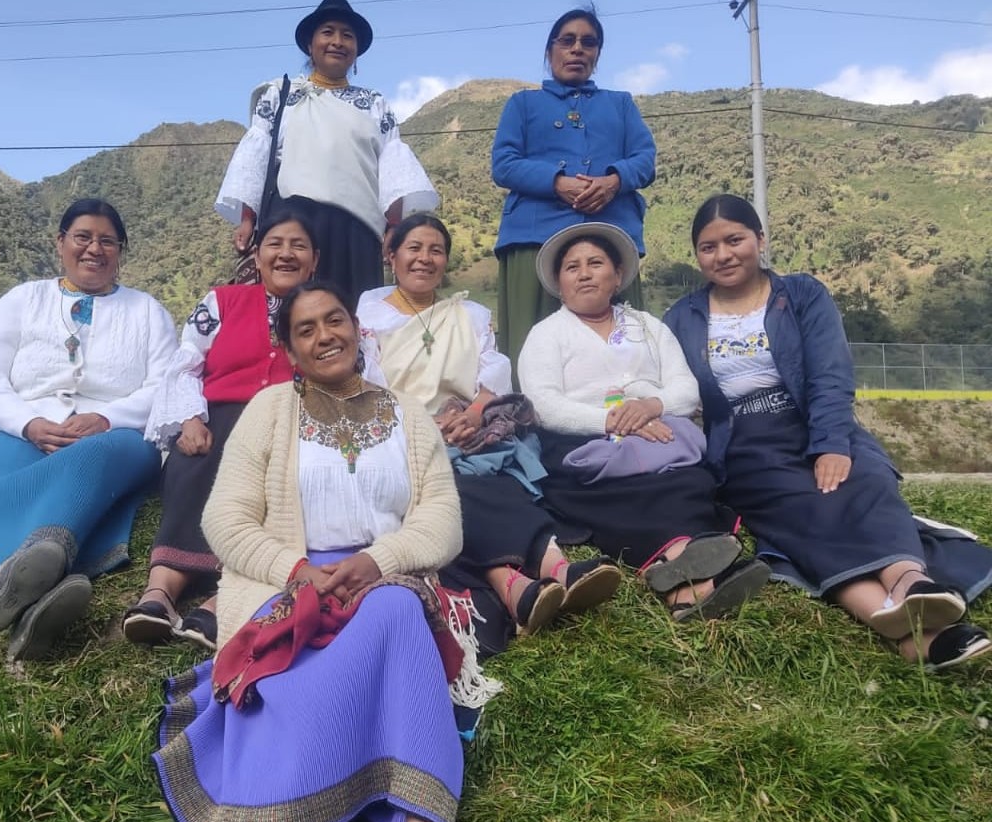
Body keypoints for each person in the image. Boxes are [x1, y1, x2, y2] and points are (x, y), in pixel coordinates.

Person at [153, 281, 492, 822]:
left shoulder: (407, 415)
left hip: (387, 576)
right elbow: (225, 520)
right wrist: (296, 570)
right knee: (297, 702)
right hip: (288, 591)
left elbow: (443, 523)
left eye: (334, 320)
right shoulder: (269, 410)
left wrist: (376, 560)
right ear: (289, 351)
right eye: (304, 330)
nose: (324, 336)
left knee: (395, 606)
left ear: (358, 330)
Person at [664, 194, 992, 670]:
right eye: (708, 247)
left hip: (815, 422)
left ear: (760, 239)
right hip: (746, 444)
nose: (723, 254)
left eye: (734, 240)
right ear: (698, 255)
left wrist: (832, 444)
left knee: (864, 482)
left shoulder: (800, 294)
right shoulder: (682, 316)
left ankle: (910, 586)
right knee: (801, 510)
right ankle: (907, 630)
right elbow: (672, 389)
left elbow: (830, 375)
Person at [0, 199, 178, 661]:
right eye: (83, 237)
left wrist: (108, 418)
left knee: (102, 454)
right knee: (0, 465)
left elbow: (165, 383)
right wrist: (27, 423)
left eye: (107, 241)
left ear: (121, 251)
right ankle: (38, 599)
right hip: (23, 430)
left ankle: (27, 567)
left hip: (117, 437)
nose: (95, 249)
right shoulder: (22, 299)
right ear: (60, 243)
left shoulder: (148, 311)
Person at [359, 213, 623, 640]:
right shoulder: (368, 316)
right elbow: (369, 386)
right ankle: (516, 579)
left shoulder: (469, 314)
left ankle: (551, 570)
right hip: (401, 432)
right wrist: (427, 427)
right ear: (392, 255)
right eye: (414, 248)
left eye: (436, 250)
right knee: (448, 487)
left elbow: (493, 373)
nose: (425, 259)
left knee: (485, 477)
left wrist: (475, 413)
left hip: (471, 429)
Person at [520, 221, 769, 620]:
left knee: (684, 481)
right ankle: (694, 578)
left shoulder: (648, 328)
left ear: (617, 276)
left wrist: (652, 407)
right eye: (572, 267)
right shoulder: (546, 335)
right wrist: (617, 422)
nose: (585, 273)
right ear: (558, 282)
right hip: (585, 452)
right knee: (632, 493)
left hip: (658, 440)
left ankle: (682, 578)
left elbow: (686, 390)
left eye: (596, 263)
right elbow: (545, 405)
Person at [121, 207, 321, 651]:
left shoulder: (326, 311)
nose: (285, 254)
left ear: (315, 260)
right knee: (194, 464)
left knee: (277, 485)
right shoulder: (222, 302)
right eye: (275, 244)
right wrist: (190, 416)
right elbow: (185, 362)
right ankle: (161, 591)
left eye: (298, 245)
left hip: (288, 422)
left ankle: (222, 596)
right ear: (257, 253)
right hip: (216, 417)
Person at [216, 0, 437, 301]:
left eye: (347, 35)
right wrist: (247, 219)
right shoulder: (279, 95)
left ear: (356, 48)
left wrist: (393, 228)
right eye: (328, 32)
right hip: (291, 223)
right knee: (288, 312)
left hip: (356, 229)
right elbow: (256, 156)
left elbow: (392, 166)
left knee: (350, 310)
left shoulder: (375, 103)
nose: (337, 42)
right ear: (310, 44)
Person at [492, 5, 656, 380]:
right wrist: (556, 182)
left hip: (610, 231)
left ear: (597, 55)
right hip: (534, 236)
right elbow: (504, 163)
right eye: (567, 41)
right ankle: (529, 429)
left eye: (588, 42)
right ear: (550, 50)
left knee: (623, 348)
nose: (577, 49)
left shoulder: (621, 104)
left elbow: (645, 160)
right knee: (531, 349)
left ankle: (626, 422)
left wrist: (614, 180)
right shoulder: (523, 104)